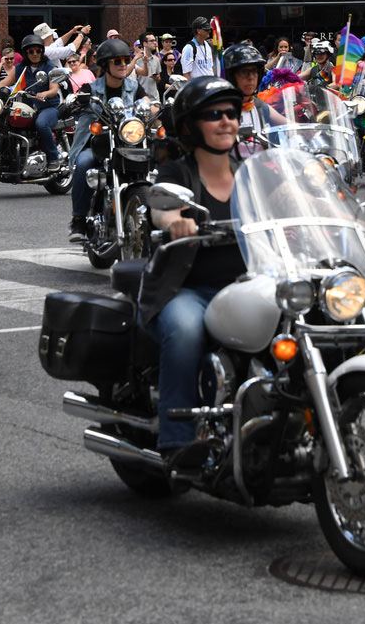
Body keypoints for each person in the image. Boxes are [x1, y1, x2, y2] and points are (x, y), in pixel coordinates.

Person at [142, 76, 245, 465]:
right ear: (190, 125)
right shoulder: (178, 174)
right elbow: (161, 207)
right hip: (190, 290)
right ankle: (177, 440)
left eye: (231, 113)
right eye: (213, 114)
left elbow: (291, 199)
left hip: (249, 287)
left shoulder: (251, 171)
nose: (225, 121)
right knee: (185, 330)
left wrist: (357, 221)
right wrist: (173, 221)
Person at [68, 38, 140, 241]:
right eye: (117, 61)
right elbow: (77, 99)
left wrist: (156, 109)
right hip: (98, 144)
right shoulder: (92, 88)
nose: (123, 64)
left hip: (127, 143)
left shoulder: (134, 87)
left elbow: (147, 102)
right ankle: (78, 220)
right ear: (105, 65)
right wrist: (72, 103)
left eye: (126, 60)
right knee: (84, 164)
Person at [11, 33, 63, 172]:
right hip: (27, 107)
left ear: (42, 51)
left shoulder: (51, 68)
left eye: (38, 51)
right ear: (26, 53)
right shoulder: (20, 68)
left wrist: (44, 93)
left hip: (48, 107)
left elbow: (53, 89)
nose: (35, 54)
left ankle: (54, 159)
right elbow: (5, 82)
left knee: (41, 124)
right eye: (31, 51)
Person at [133, 32, 162, 100]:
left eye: (155, 40)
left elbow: (159, 79)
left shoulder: (156, 59)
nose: (155, 42)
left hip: (155, 98)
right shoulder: (137, 60)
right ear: (144, 43)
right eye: (151, 41)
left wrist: (156, 78)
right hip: (141, 98)